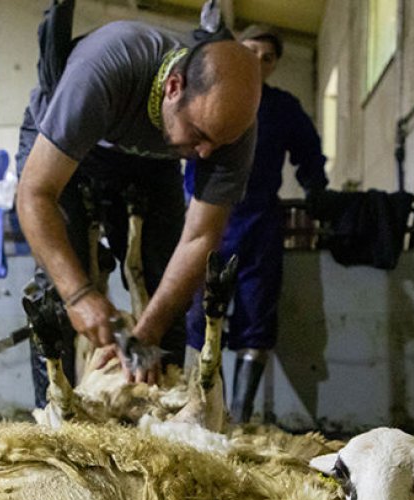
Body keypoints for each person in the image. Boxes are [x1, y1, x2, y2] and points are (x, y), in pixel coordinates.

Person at [15, 19, 261, 406]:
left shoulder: (226, 129)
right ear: (173, 87)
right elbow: (35, 194)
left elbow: (199, 238)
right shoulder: (105, 69)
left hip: (153, 155)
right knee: (57, 295)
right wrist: (78, 295)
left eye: (217, 143)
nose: (205, 154)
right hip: (66, 144)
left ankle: (157, 432)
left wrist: (148, 332)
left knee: (167, 301)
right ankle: (55, 426)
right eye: (198, 135)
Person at [184, 24, 328, 423]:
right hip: (205, 219)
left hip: (259, 222)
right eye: (250, 52)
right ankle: (208, 410)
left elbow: (309, 154)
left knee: (257, 314)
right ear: (235, 52)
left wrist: (317, 188)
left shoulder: (282, 108)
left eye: (268, 58)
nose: (258, 62)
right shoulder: (207, 94)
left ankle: (242, 421)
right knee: (198, 317)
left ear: (276, 64)